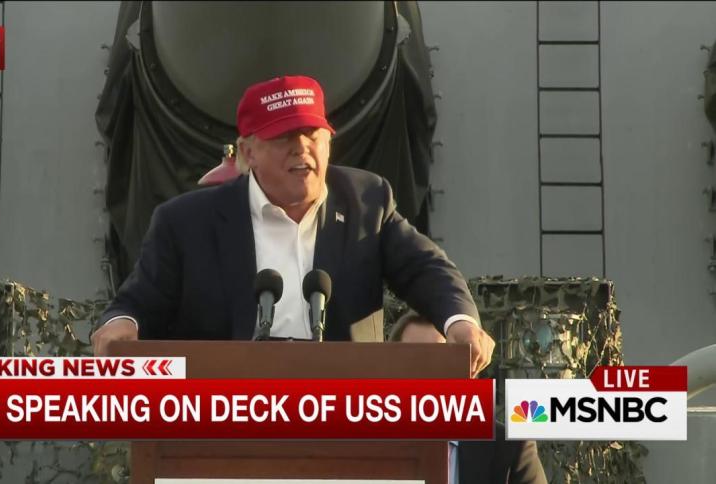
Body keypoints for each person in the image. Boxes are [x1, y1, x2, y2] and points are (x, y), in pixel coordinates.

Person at [92, 74, 494, 377]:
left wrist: (460, 322)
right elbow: (139, 300)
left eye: (311, 134)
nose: (302, 148)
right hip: (225, 418)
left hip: (345, 416)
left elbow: (425, 268)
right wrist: (120, 324)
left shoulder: (366, 201)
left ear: (329, 143)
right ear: (248, 151)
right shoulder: (185, 222)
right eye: (284, 137)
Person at [390, 311, 548, 484]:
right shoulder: (372, 444)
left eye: (441, 358)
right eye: (415, 360)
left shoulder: (510, 450)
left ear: (470, 369)